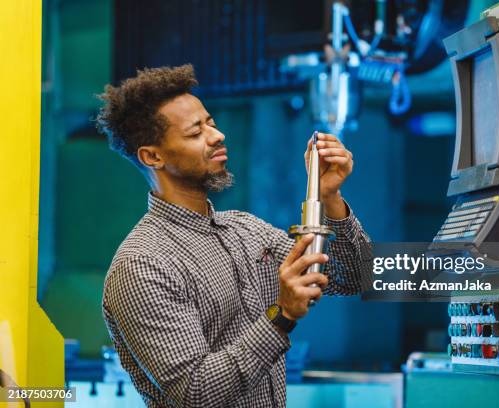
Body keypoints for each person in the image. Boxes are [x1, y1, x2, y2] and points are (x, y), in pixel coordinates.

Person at [97, 64, 371, 407]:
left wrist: (329, 198)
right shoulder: (142, 264)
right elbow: (193, 394)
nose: (217, 135)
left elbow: (356, 276)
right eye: (196, 133)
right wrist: (281, 315)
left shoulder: (246, 230)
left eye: (210, 122)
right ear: (153, 156)